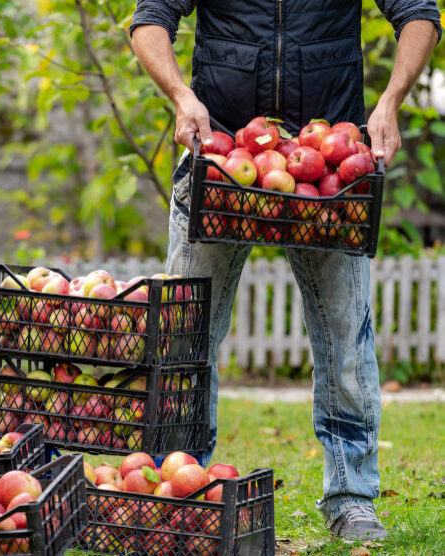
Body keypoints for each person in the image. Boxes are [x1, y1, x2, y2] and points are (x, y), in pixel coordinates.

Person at [129, 0, 441, 541]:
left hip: (331, 166)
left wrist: (391, 100)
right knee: (186, 333)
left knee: (345, 337)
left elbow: (418, 11)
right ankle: (179, 484)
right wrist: (181, 97)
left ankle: (352, 495)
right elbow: (150, 17)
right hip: (221, 158)